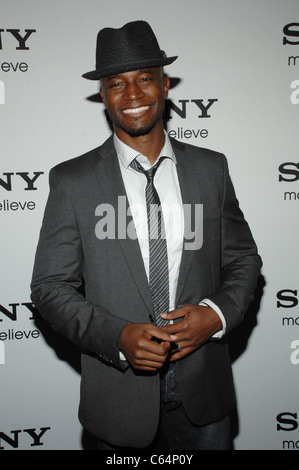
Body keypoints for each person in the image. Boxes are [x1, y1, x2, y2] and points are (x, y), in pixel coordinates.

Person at [31, 20, 262, 450]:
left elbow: (243, 260)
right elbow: (49, 287)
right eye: (116, 83)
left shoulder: (212, 169)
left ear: (166, 84)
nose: (132, 95)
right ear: (102, 94)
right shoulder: (73, 181)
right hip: (116, 402)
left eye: (144, 79)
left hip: (204, 398)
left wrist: (216, 314)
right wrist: (116, 337)